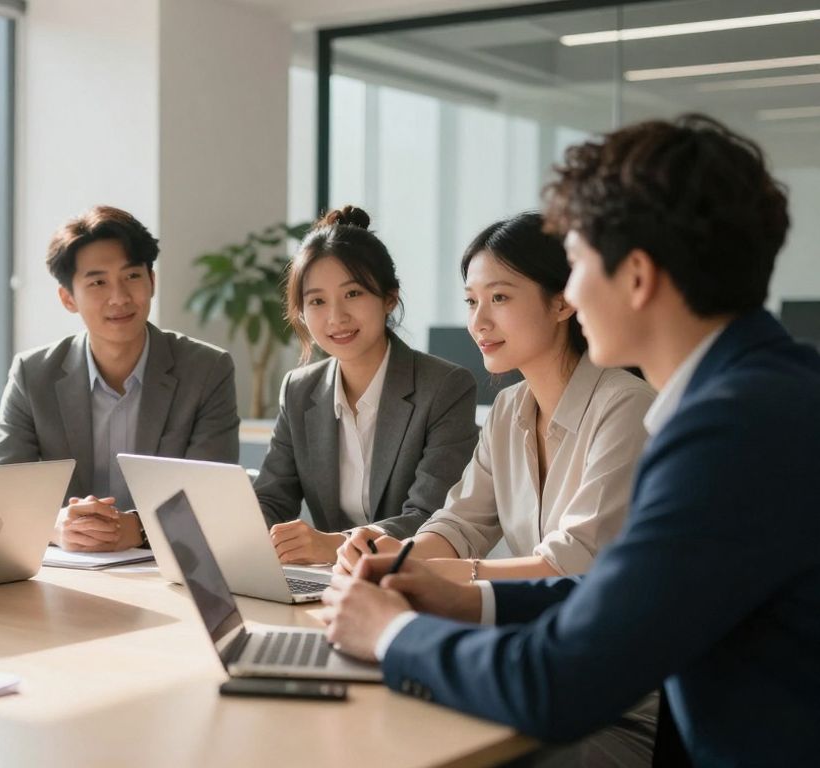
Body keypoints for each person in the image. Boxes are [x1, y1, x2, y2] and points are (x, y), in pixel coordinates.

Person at [322, 114, 820, 766]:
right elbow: (627, 588)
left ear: (636, 277)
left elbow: (557, 680)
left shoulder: (731, 426)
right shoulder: (764, 393)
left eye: (579, 263)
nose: (572, 293)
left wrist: (394, 634)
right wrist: (460, 596)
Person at [341, 211, 656, 582]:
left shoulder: (627, 407)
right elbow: (460, 524)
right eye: (472, 302)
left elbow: (575, 561)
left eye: (500, 297)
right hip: (532, 622)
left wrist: (435, 573)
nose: (478, 322)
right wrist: (392, 555)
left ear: (562, 303)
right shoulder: (508, 409)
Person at [0, 205, 240, 552]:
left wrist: (138, 530)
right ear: (68, 298)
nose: (119, 297)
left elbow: (211, 496)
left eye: (132, 276)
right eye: (98, 282)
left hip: (169, 566)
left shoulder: (207, 370)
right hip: (68, 571)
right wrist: (52, 526)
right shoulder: (33, 374)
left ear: (152, 281)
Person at [254, 205, 479, 565]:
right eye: (317, 301)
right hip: (326, 582)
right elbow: (271, 500)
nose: (336, 317)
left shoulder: (445, 387)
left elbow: (431, 517)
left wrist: (334, 546)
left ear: (389, 297)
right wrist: (249, 539)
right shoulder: (299, 390)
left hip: (412, 580)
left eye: (353, 294)